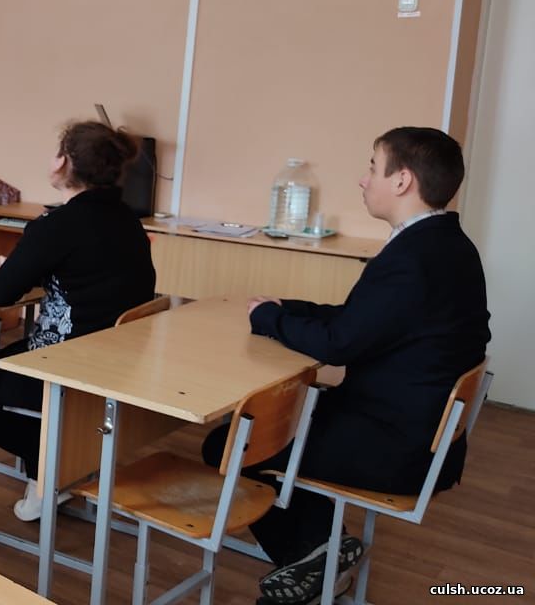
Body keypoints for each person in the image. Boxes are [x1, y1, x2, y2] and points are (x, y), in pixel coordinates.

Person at [205, 127, 489, 605]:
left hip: (396, 445)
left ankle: (314, 557)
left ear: (402, 180)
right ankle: (323, 551)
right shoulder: (448, 245)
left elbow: (339, 344)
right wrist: (289, 308)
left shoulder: (412, 258)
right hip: (420, 431)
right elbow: (364, 320)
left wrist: (268, 319)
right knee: (286, 422)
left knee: (231, 443)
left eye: (373, 168)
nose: (363, 179)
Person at [0, 120, 156, 520]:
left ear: (63, 162)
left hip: (63, 368)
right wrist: (18, 267)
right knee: (0, 364)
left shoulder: (57, 226)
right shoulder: (128, 221)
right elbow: (88, 272)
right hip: (115, 363)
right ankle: (55, 465)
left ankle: (51, 465)